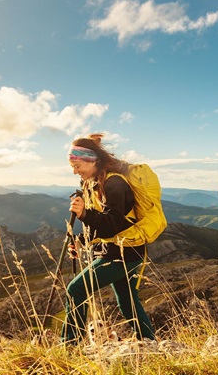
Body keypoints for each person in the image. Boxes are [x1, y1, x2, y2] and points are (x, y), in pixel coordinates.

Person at [61, 134, 156, 345]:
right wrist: (81, 242)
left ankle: (69, 345)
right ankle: (149, 343)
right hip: (126, 249)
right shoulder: (97, 182)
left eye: (77, 166)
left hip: (121, 253)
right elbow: (103, 225)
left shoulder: (114, 183)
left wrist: (84, 214)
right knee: (128, 302)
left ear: (93, 160)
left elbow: (112, 223)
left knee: (76, 290)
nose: (75, 171)